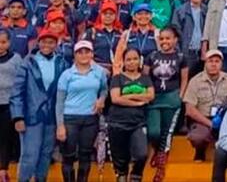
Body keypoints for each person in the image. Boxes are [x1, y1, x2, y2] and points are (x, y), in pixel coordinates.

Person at [11, 28, 69, 182]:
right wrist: (18, 117)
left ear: (56, 44)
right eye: (44, 42)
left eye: (51, 42)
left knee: (46, 154)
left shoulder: (62, 63)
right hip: (31, 116)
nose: (47, 45)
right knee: (30, 155)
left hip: (52, 117)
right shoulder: (28, 62)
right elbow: (17, 91)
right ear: (38, 42)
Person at [55, 40, 108, 182]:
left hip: (90, 118)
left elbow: (104, 89)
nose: (84, 55)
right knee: (69, 156)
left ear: (92, 54)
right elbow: (59, 102)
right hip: (70, 118)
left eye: (87, 52)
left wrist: (101, 99)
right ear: (75, 55)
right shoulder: (67, 75)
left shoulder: (99, 72)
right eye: (80, 52)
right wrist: (60, 125)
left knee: (86, 155)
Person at [144, 27, 188, 182]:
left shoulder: (181, 57)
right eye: (161, 38)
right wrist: (147, 94)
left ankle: (161, 169)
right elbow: (145, 77)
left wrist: (180, 96)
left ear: (175, 40)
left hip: (172, 99)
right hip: (154, 99)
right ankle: (156, 151)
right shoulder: (152, 56)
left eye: (168, 38)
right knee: (154, 132)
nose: (164, 41)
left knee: (166, 133)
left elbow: (184, 78)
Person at [183, 50, 227, 162]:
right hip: (203, 119)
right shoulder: (195, 81)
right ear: (205, 63)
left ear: (221, 64)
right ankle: (200, 151)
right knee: (198, 138)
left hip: (225, 119)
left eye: (217, 61)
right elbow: (189, 110)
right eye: (210, 61)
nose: (214, 64)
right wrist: (210, 124)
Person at [109, 47, 154, 182]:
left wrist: (128, 96)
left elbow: (150, 96)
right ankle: (122, 175)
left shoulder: (145, 78)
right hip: (118, 123)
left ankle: (136, 175)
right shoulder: (117, 78)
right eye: (128, 59)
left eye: (135, 59)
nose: (132, 62)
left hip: (138, 123)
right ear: (123, 61)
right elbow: (115, 99)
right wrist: (138, 102)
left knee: (141, 154)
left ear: (140, 60)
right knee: (121, 159)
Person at [170, 0, 208, 77]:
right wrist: (179, 53)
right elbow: (175, 33)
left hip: (202, 53)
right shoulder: (180, 11)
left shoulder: (207, 11)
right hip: (186, 53)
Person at [0, 30, 21, 182]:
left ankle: (3, 170)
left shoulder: (16, 59)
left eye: (3, 42)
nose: (0, 45)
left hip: (8, 104)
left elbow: (21, 81)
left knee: (5, 139)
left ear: (9, 43)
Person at [85, 0, 123, 74]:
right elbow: (85, 53)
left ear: (115, 16)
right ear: (100, 15)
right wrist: (99, 69)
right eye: (105, 13)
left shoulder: (120, 33)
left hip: (117, 69)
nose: (108, 16)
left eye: (111, 14)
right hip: (96, 69)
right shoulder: (92, 32)